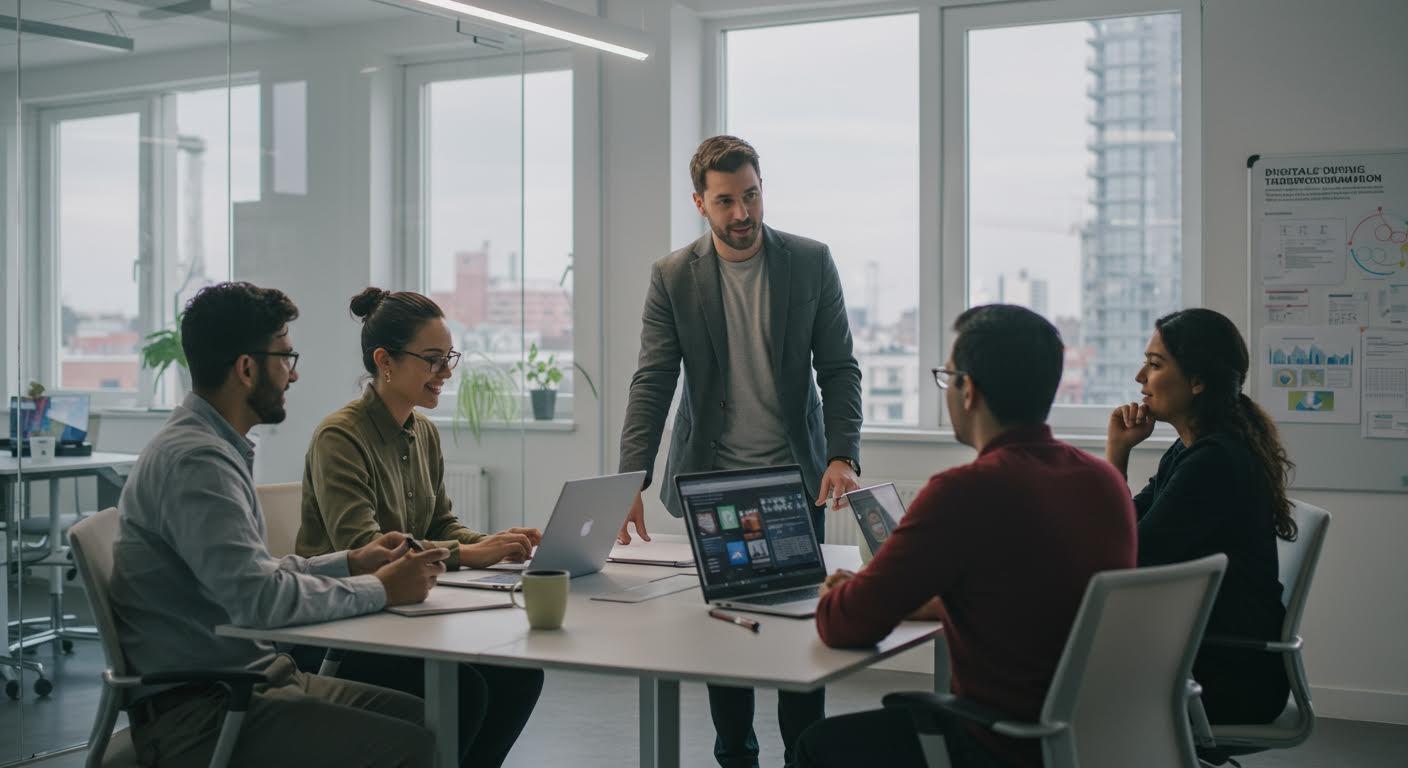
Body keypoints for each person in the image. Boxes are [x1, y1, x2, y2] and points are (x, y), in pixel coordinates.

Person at [109, 282, 449, 768]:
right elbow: (259, 601)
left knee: (435, 721)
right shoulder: (197, 462)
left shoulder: (213, 448)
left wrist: (351, 562)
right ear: (247, 368)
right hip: (205, 710)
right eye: (286, 357)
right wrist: (380, 588)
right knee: (418, 745)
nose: (294, 374)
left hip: (253, 682)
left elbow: (258, 575)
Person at [796, 305, 1137, 768]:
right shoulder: (1104, 481)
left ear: (969, 390)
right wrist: (926, 603)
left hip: (1001, 744)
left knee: (817, 745)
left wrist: (837, 595)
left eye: (948, 377)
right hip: (1089, 740)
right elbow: (1027, 597)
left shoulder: (965, 492)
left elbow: (844, 625)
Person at [616, 135, 864, 767]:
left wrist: (843, 455)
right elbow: (653, 380)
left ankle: (803, 757)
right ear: (700, 203)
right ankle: (736, 758)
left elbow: (839, 367)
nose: (742, 213)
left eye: (750, 195)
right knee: (727, 636)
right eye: (725, 201)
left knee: (798, 641)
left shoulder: (810, 261)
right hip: (715, 483)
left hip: (795, 480)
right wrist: (629, 480)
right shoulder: (674, 275)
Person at [294, 287, 545, 768]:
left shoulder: (423, 431)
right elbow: (365, 549)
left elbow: (440, 523)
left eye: (449, 357)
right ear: (385, 361)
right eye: (433, 360)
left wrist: (495, 543)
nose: (446, 372)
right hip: (341, 627)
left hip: (404, 614)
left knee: (520, 676)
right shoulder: (340, 436)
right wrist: (469, 554)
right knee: (466, 691)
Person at [1106, 307, 1294, 725]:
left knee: (1059, 681)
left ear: (1197, 381)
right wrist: (1119, 451)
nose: (1140, 377)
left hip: (1228, 676)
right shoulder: (1194, 448)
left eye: (1155, 365)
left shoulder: (1214, 462)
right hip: (1202, 653)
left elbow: (1127, 557)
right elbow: (1124, 527)